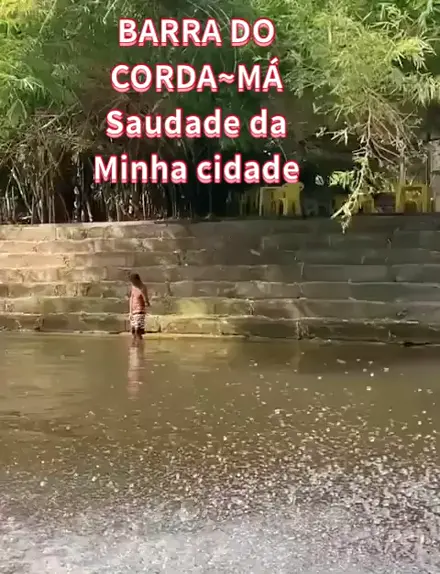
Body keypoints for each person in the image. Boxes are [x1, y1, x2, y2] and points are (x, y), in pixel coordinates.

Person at [129, 273, 150, 344]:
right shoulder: (133, 287)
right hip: (133, 310)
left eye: (133, 282)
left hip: (140, 310)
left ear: (137, 280)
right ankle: (135, 345)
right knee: (133, 330)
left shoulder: (143, 287)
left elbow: (145, 299)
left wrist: (147, 303)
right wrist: (130, 312)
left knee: (138, 330)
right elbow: (131, 298)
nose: (133, 283)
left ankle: (139, 345)